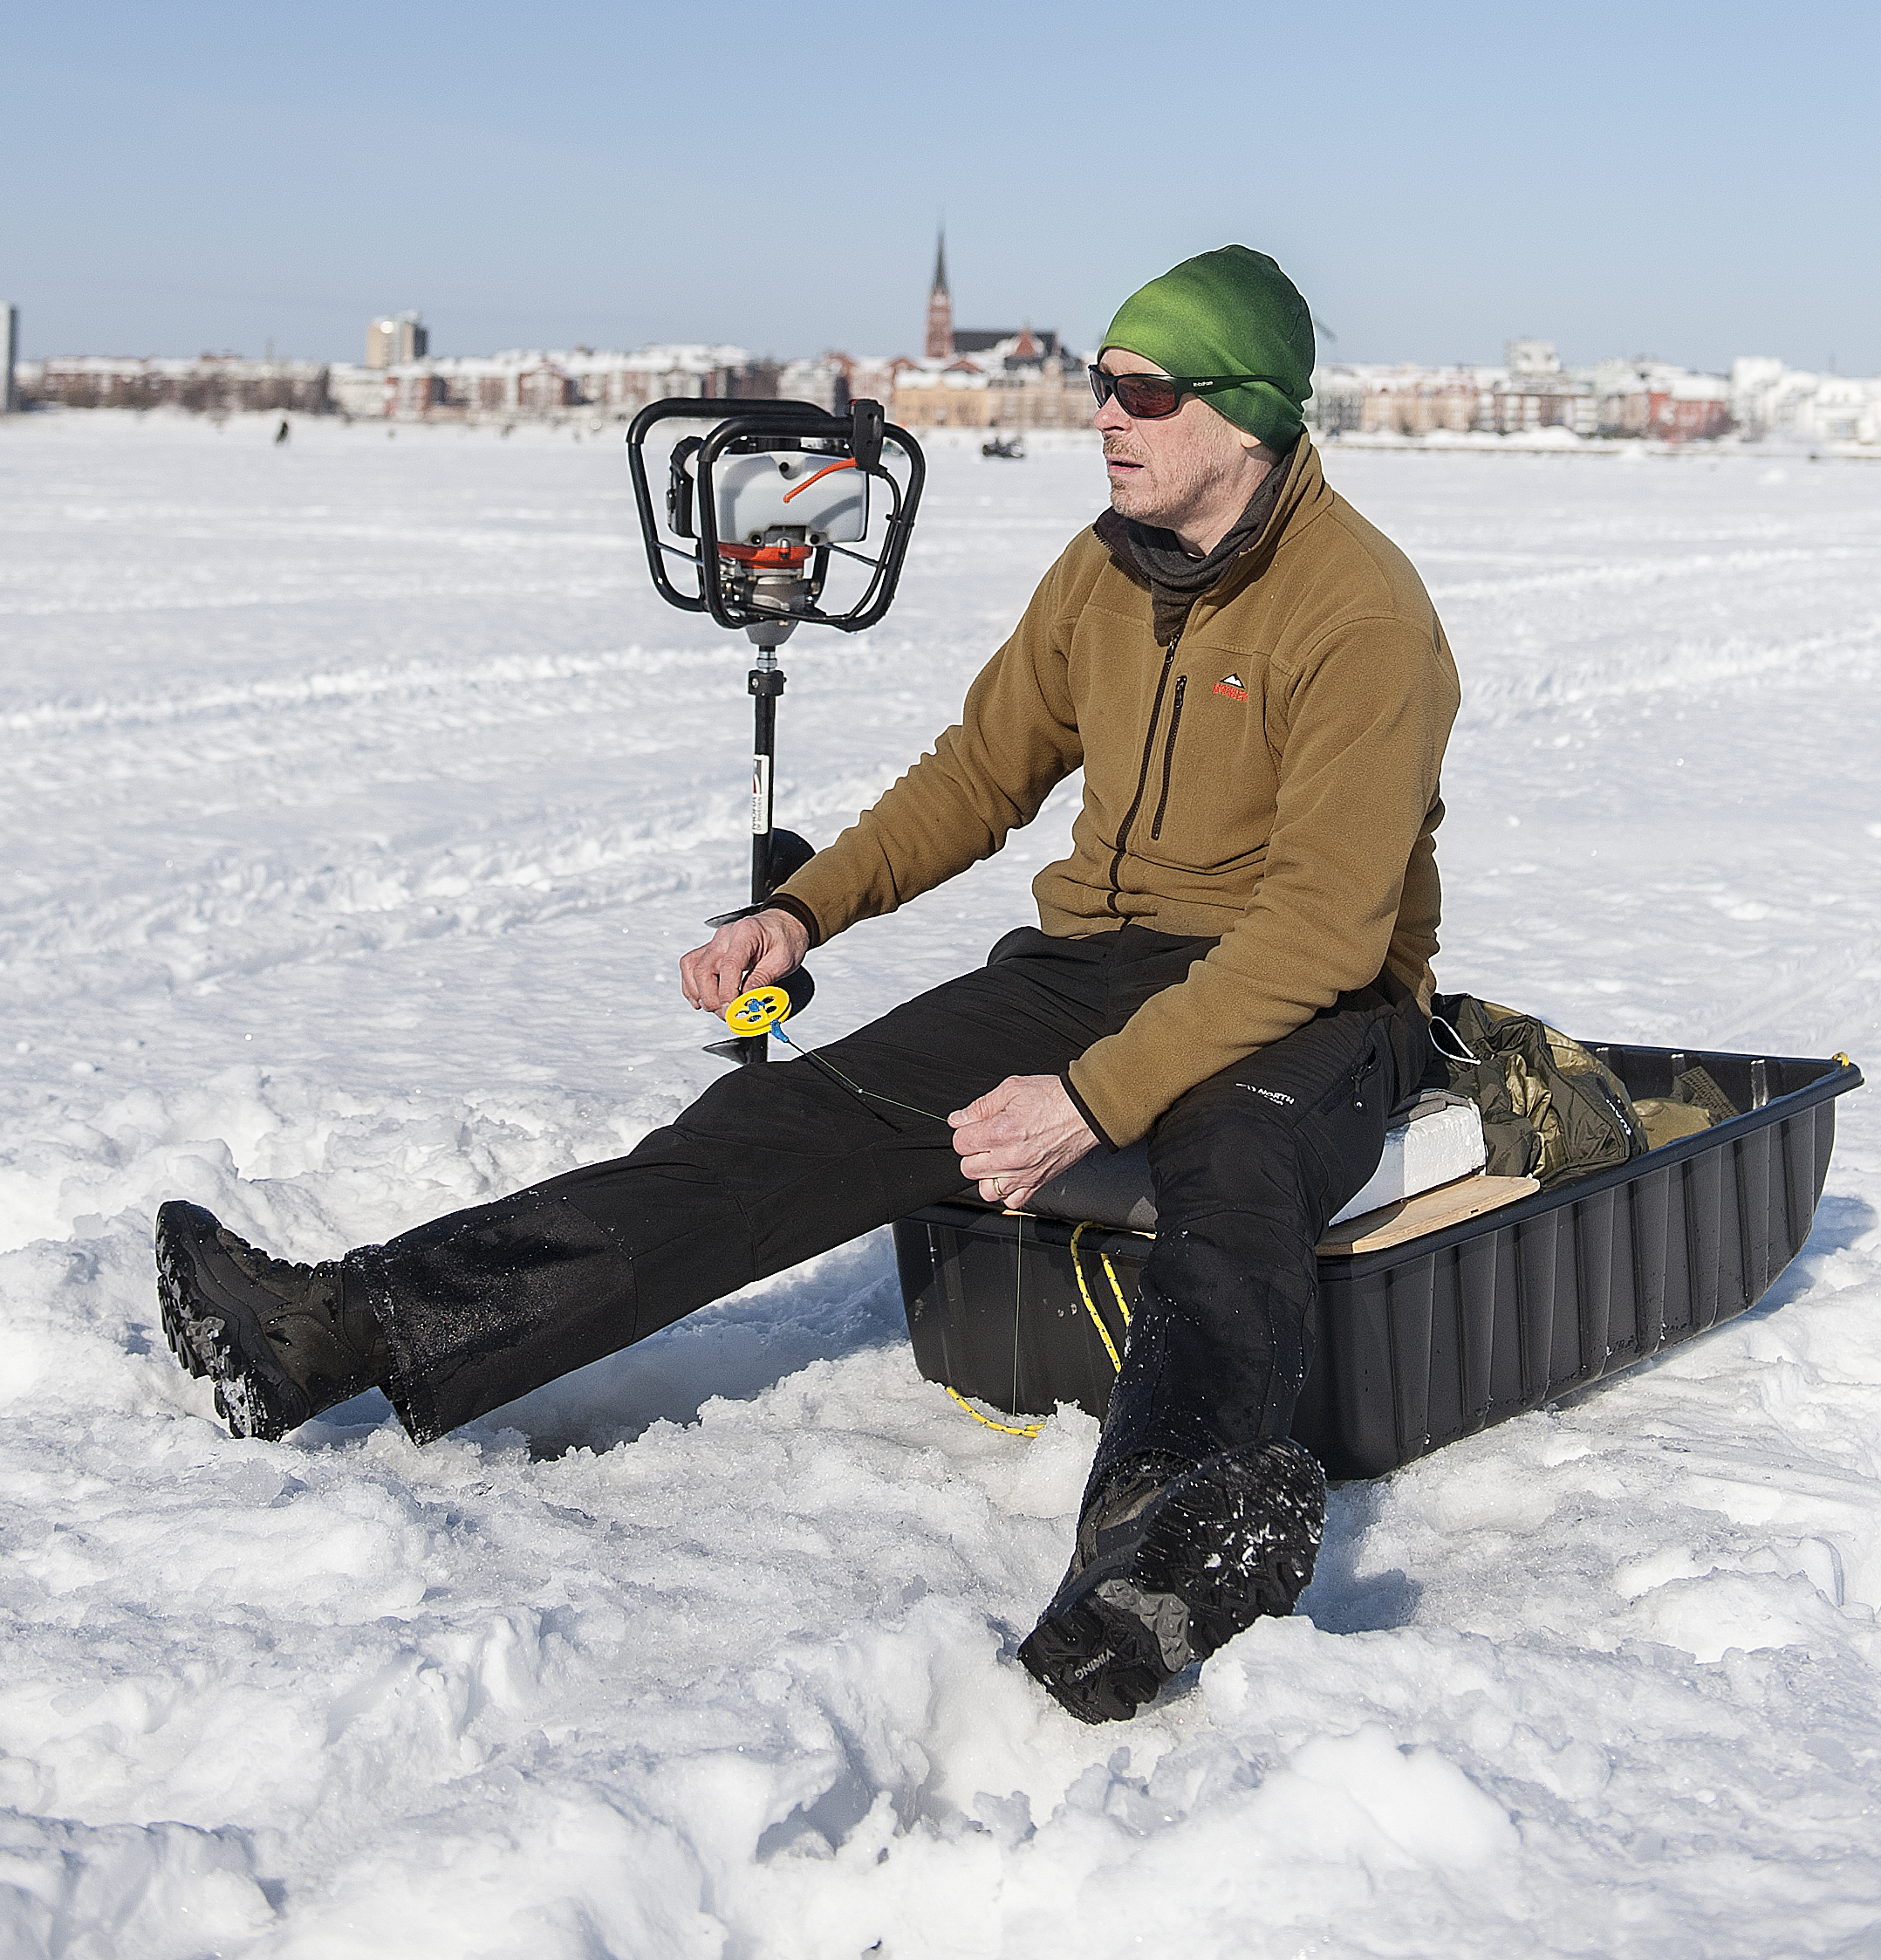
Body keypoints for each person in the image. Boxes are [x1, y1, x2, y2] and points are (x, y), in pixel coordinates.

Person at [156, 244, 1460, 1721]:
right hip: (1090, 962)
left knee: (1232, 1176)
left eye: (1144, 391)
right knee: (771, 1134)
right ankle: (350, 1326)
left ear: (1247, 418)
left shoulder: (1365, 619)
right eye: (1101, 381)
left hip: (1314, 1002)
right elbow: (983, 774)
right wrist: (801, 909)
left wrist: (1093, 1100)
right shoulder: (1103, 563)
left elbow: (1318, 934)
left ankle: (1163, 1547)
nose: (1106, 413)